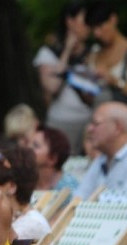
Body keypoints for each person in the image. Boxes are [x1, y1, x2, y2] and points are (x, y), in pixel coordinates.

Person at [33, 1, 93, 153]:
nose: (89, 26)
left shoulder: (93, 53)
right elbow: (52, 87)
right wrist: (67, 51)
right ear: (70, 21)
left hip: (88, 122)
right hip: (60, 121)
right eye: (85, 20)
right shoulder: (49, 53)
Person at [74, 101, 127, 199]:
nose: (89, 129)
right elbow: (78, 200)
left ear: (117, 127)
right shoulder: (102, 158)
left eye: (96, 123)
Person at [86, 1, 127, 116]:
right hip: (96, 119)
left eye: (100, 26)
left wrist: (115, 82)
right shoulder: (93, 53)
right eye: (93, 29)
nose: (97, 34)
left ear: (113, 19)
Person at [30, 126, 79, 192]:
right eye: (28, 143)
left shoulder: (70, 190)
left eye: (36, 146)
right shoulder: (24, 181)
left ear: (52, 159)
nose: (28, 148)